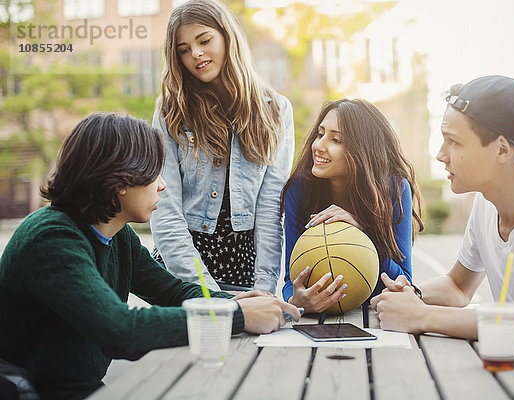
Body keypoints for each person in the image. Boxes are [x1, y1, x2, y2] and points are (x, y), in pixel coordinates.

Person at [0, 113, 300, 400]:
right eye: (154, 173)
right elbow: (121, 330)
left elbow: (174, 292)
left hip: (84, 389)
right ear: (119, 183)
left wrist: (244, 302)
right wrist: (237, 317)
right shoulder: (51, 237)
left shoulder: (117, 236)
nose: (163, 184)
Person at [370, 75, 514, 400]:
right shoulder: (484, 206)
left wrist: (421, 316)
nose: (440, 154)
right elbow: (458, 287)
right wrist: (411, 294)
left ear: (502, 149)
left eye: (454, 141)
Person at [150, 0, 294, 293]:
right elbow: (164, 208)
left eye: (204, 40)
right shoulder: (171, 111)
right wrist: (205, 291)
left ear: (228, 37)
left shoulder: (275, 110)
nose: (196, 54)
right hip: (181, 275)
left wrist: (264, 288)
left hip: (245, 276)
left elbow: (269, 208)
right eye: (184, 50)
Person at [281, 99, 424, 313]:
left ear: (363, 150)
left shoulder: (394, 189)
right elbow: (291, 280)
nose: (319, 146)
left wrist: (362, 233)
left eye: (336, 140)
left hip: (374, 316)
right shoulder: (299, 190)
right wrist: (296, 301)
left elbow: (403, 279)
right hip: (318, 319)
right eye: (320, 134)